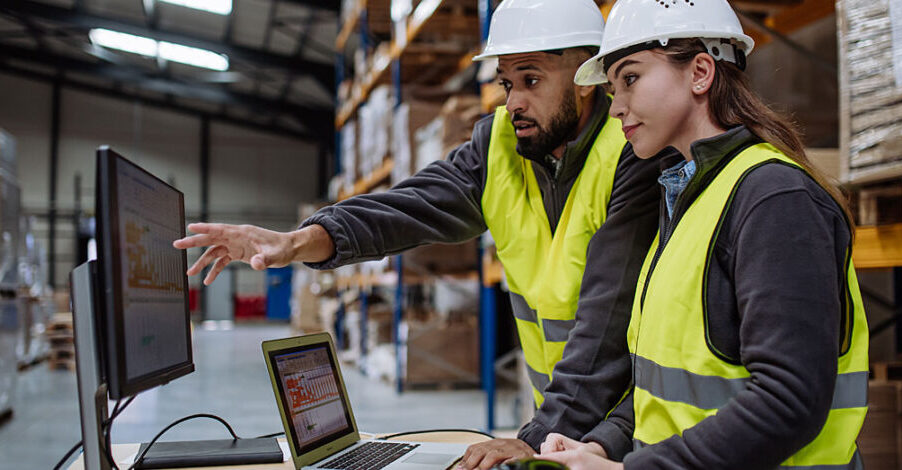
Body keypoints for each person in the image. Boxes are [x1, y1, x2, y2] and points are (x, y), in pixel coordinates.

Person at [173, 0, 679, 468]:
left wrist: (536, 436)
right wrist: (296, 242)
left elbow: (606, 321)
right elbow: (407, 207)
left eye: (531, 80)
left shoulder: (633, 153)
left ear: (586, 77)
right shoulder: (499, 145)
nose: (514, 102)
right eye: (507, 83)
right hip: (560, 424)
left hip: (630, 429)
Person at [535, 0, 869, 469]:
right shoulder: (688, 196)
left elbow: (787, 401)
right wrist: (604, 444)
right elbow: (668, 385)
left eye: (630, 79)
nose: (617, 108)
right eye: (612, 89)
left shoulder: (775, 198)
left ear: (700, 73)